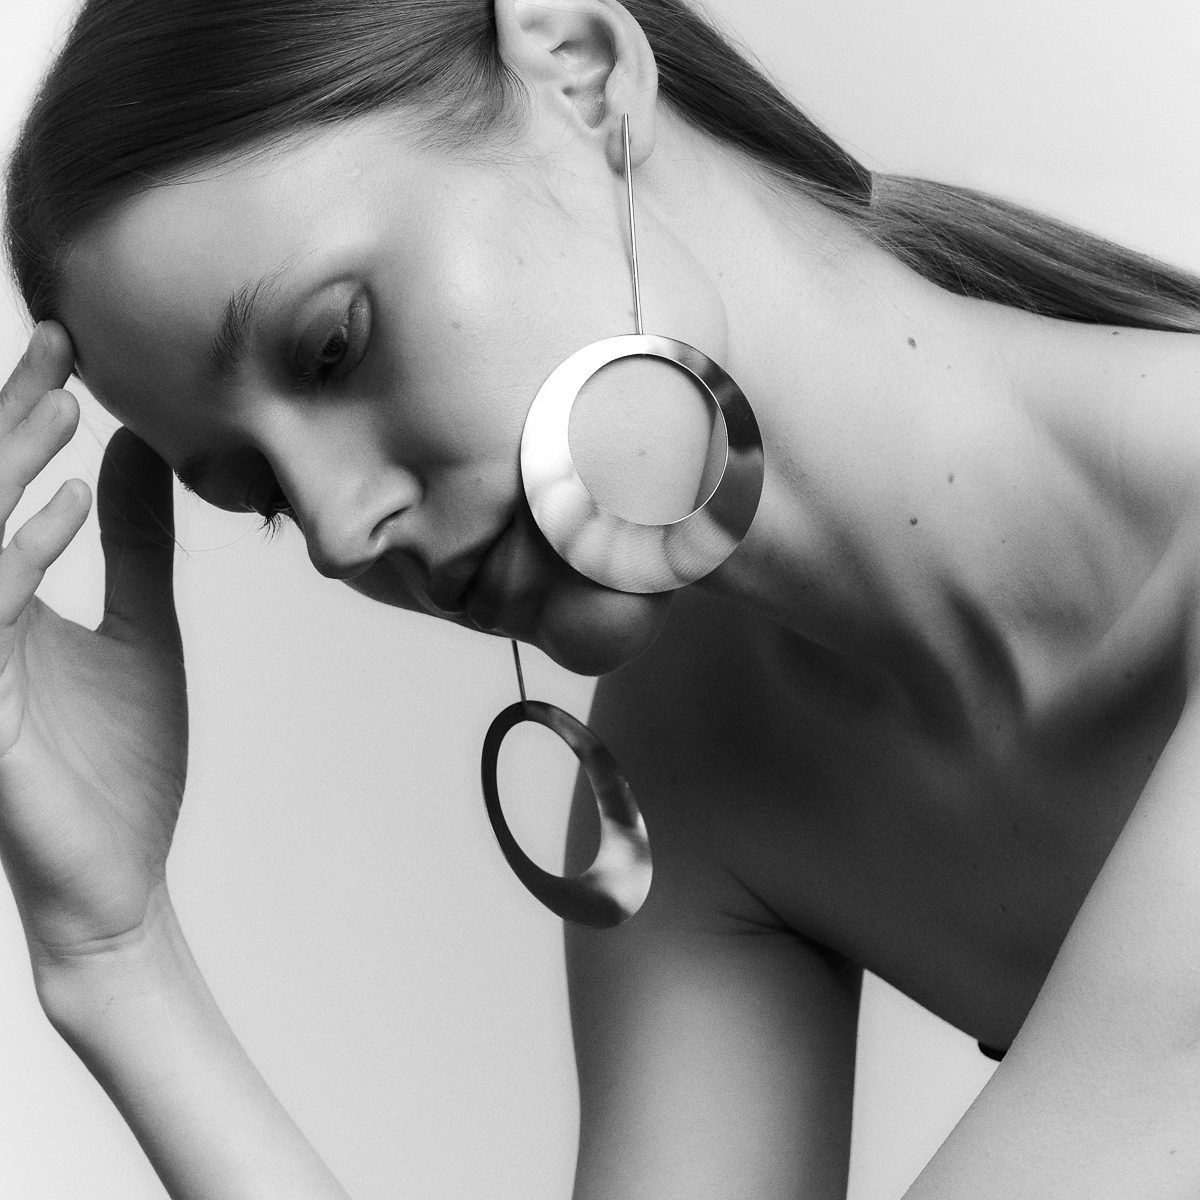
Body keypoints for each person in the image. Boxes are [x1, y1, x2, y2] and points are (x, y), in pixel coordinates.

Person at [4, 0, 1200, 1196]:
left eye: (333, 345)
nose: (334, 528)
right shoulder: (703, 769)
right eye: (260, 491)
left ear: (581, 72)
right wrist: (114, 954)